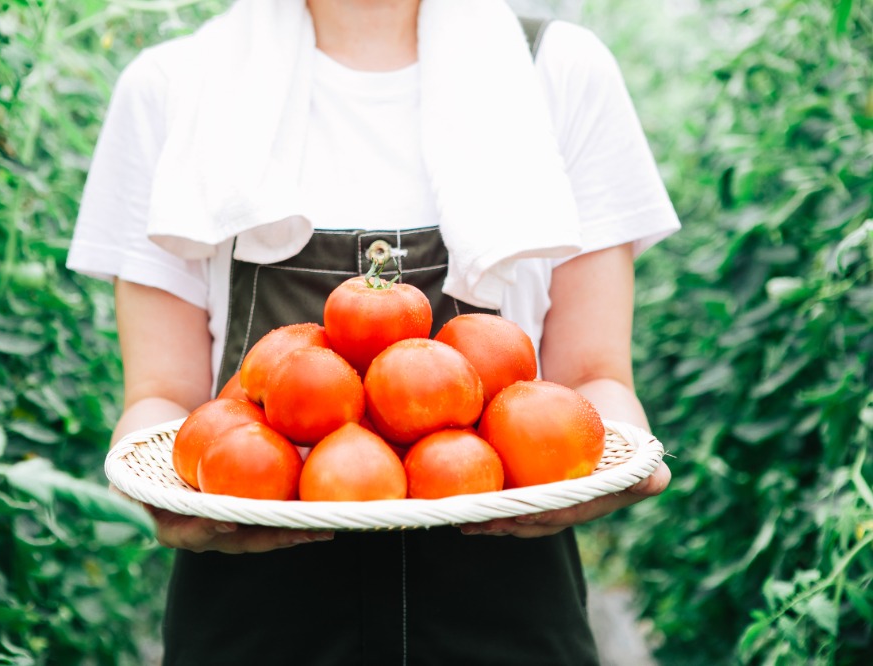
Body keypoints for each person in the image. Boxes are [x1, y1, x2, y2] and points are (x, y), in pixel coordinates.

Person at [68, 0, 679, 663]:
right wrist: (150, 488)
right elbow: (161, 400)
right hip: (256, 616)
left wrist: (616, 455)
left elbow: (594, 378)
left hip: (506, 611)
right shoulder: (173, 89)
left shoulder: (560, 72)